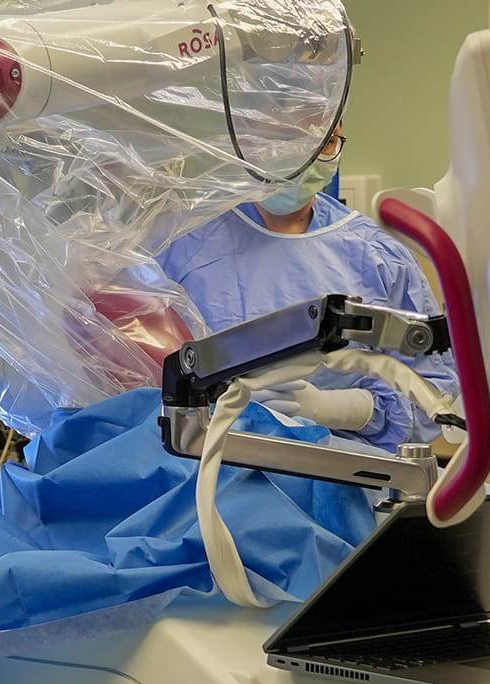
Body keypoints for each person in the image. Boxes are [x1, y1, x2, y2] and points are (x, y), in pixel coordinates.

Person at [159, 130, 452, 450]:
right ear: (248, 138)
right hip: (207, 464)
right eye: (289, 136)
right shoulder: (181, 242)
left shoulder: (379, 255)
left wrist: (344, 410)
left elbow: (433, 395)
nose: (305, 154)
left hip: (343, 477)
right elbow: (132, 368)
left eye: (326, 140)